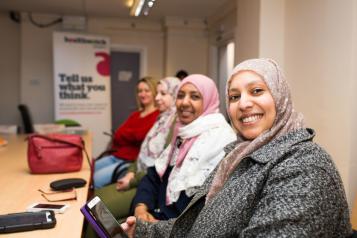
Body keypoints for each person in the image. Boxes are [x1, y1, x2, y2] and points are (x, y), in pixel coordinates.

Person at [122, 59, 352, 237]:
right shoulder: (237, 154)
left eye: (257, 91)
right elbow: (197, 225)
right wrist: (144, 231)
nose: (243, 104)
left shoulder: (305, 165)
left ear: (280, 97)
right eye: (234, 96)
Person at [131, 74, 236, 222]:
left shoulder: (221, 141)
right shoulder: (183, 132)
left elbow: (204, 212)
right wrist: (141, 207)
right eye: (180, 96)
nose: (184, 102)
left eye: (194, 97)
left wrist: (156, 227)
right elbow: (154, 175)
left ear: (208, 101)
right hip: (156, 214)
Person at [92, 77, 181, 220]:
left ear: (176, 95)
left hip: (149, 184)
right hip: (138, 174)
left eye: (163, 94)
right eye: (157, 93)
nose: (157, 98)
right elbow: (141, 153)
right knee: (94, 200)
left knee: (99, 208)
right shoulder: (161, 119)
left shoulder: (175, 124)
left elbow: (159, 166)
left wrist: (132, 179)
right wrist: (130, 173)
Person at [93, 77, 160, 189]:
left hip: (130, 162)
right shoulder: (135, 115)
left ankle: (89, 206)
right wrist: (133, 136)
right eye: (140, 91)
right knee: (88, 171)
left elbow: (142, 136)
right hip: (117, 156)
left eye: (146, 90)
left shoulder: (158, 116)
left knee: (95, 180)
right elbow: (119, 134)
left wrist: (129, 134)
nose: (142, 94)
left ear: (154, 92)